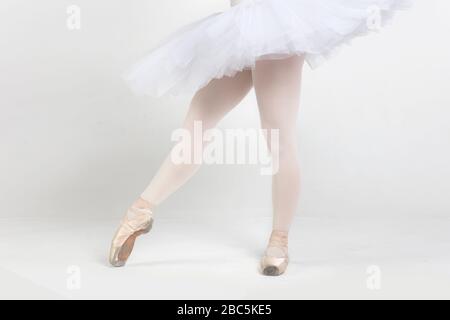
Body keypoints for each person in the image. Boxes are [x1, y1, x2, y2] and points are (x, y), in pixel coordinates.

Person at [110, 0, 412, 276]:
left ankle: (279, 240)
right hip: (239, 28)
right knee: (196, 127)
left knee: (278, 136)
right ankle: (140, 210)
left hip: (278, 25)